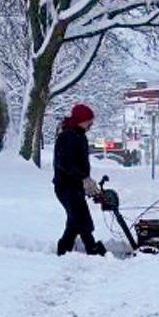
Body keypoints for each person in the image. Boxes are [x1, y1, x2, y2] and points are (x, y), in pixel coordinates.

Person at [53, 103, 106, 256]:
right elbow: (65, 163)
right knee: (81, 218)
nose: (91, 124)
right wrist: (83, 178)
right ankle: (91, 248)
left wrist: (87, 180)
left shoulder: (79, 135)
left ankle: (64, 249)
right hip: (66, 186)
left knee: (75, 219)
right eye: (89, 120)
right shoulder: (67, 136)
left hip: (75, 185)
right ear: (80, 120)